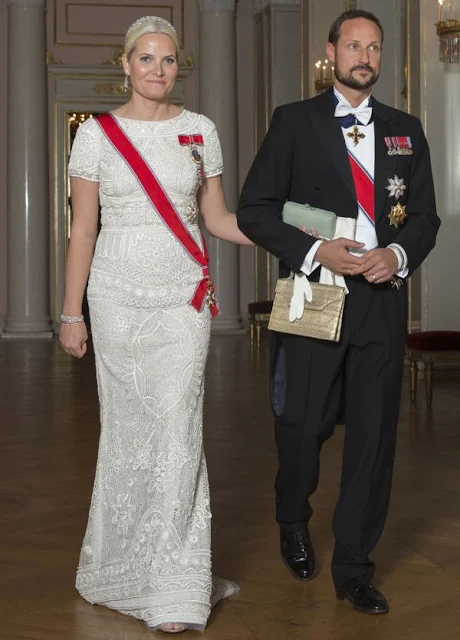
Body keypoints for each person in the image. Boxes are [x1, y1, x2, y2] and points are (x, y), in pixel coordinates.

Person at [237, 9, 440, 615]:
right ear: (332, 52)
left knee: (374, 441)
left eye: (375, 47)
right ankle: (292, 517)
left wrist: (398, 255)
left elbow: (426, 217)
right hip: (311, 294)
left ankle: (354, 568)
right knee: (300, 428)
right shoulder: (294, 122)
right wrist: (316, 248)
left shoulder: (406, 129)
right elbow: (256, 209)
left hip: (380, 304)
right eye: (354, 45)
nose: (365, 56)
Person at [59, 15, 251, 634]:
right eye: (146, 59)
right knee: (127, 432)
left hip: (180, 300)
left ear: (178, 66)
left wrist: (286, 234)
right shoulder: (95, 135)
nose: (158, 70)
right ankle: (120, 567)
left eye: (168, 60)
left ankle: (174, 583)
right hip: (114, 299)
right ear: (125, 64)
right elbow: (83, 229)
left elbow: (218, 218)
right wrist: (71, 313)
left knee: (177, 430)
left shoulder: (200, 132)